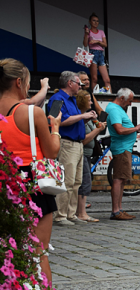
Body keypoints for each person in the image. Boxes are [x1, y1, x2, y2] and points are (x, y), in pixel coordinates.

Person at [0, 58, 65, 290]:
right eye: (26, 83)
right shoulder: (31, 114)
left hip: (5, 182)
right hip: (32, 183)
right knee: (39, 252)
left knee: (7, 251)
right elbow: (51, 151)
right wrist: (56, 129)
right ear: (19, 82)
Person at [48, 71, 95, 226]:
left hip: (77, 144)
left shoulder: (72, 99)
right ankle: (60, 215)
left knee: (76, 181)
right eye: (78, 83)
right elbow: (56, 120)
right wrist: (83, 116)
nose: (80, 86)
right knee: (67, 181)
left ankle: (71, 213)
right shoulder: (57, 99)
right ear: (70, 83)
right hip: (67, 143)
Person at [105, 88, 140, 220]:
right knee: (118, 180)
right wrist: (136, 128)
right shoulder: (115, 110)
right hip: (121, 149)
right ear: (122, 98)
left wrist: (135, 134)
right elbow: (119, 129)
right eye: (129, 101)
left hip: (124, 148)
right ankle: (116, 211)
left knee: (122, 179)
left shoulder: (116, 109)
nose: (130, 104)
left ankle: (119, 209)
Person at [75, 90, 105, 222]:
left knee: (85, 182)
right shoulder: (80, 118)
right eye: (89, 100)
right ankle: (81, 213)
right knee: (84, 183)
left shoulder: (86, 118)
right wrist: (98, 129)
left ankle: (79, 212)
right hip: (81, 154)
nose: (91, 103)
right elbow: (84, 139)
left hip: (87, 154)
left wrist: (97, 123)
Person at [83, 13, 110, 93]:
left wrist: (97, 41)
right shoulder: (89, 32)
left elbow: (105, 44)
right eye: (94, 21)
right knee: (94, 79)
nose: (96, 23)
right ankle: (94, 97)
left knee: (107, 80)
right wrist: (86, 35)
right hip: (92, 54)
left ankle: (109, 95)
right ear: (90, 22)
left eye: (97, 21)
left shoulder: (101, 32)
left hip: (101, 54)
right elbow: (85, 44)